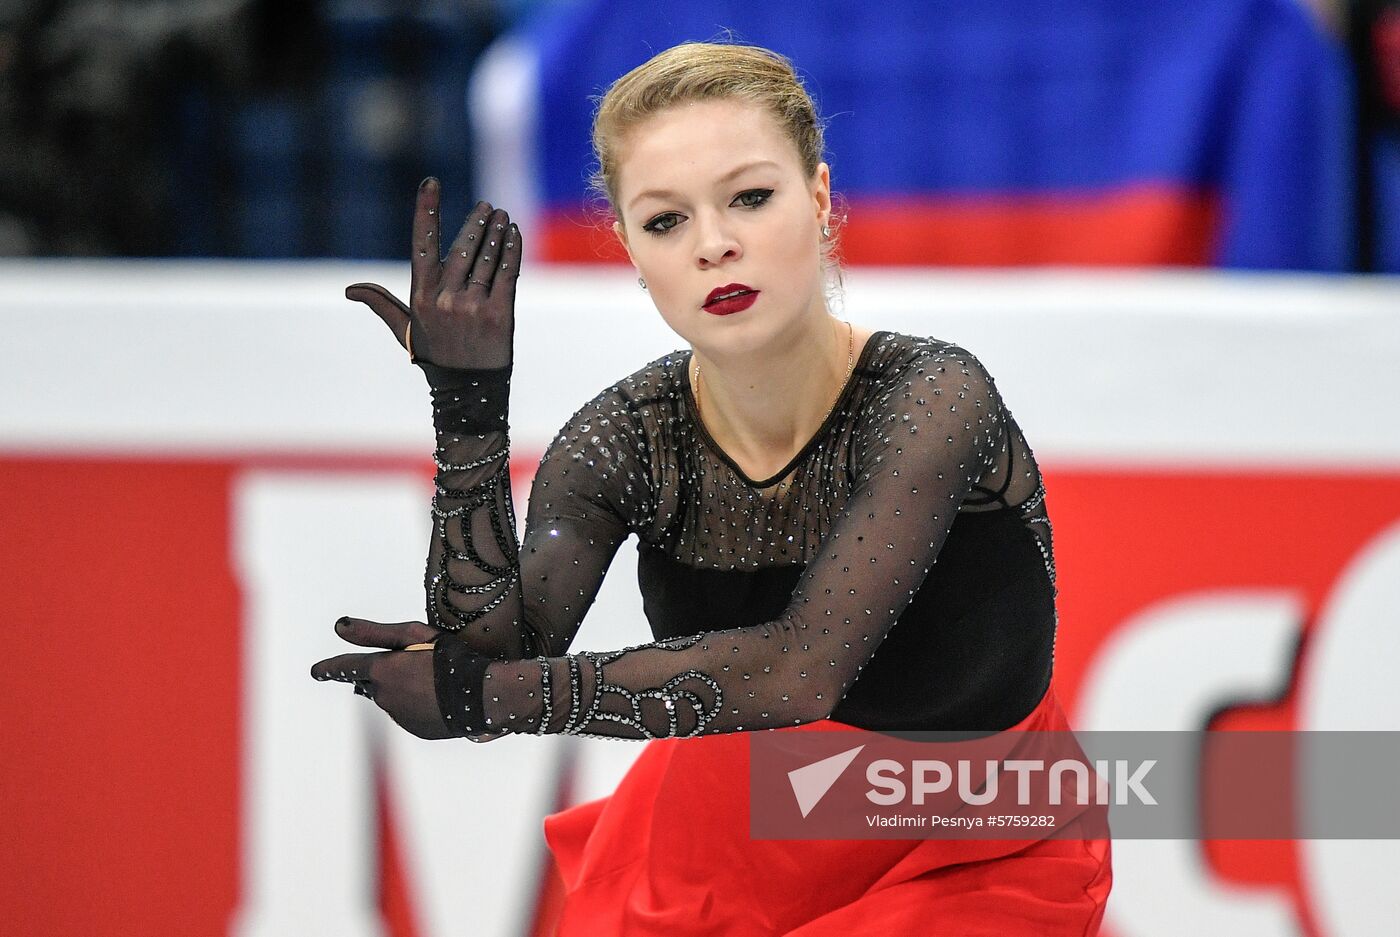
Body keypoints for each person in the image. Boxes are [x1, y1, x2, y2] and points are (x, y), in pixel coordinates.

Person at [311, 39, 1112, 935]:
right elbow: (506, 643)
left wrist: (486, 694)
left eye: (750, 197)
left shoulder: (933, 396)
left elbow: (802, 669)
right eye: (665, 221)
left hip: (978, 846)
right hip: (719, 845)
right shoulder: (622, 437)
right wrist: (468, 413)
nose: (714, 244)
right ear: (627, 246)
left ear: (817, 197)